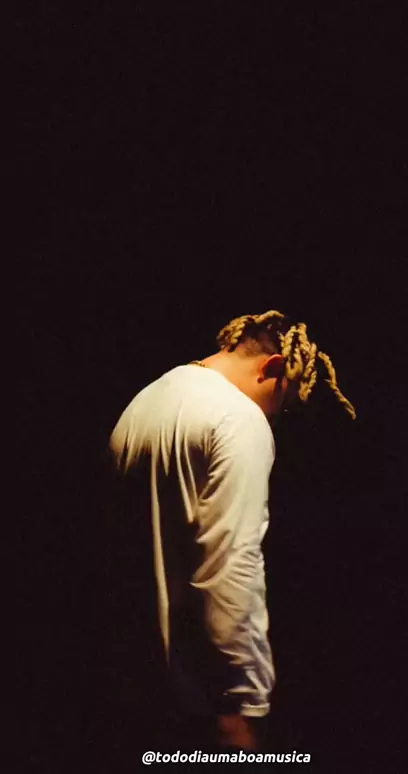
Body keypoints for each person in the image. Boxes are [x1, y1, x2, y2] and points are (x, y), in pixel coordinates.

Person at [109, 310, 356, 751]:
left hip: (127, 681)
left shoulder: (146, 399)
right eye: (285, 402)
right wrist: (242, 699)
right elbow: (232, 562)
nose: (277, 417)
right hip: (200, 701)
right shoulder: (238, 420)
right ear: (273, 367)